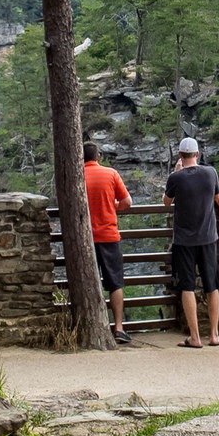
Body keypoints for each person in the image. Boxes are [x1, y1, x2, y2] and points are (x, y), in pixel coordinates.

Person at [162, 136, 219, 348]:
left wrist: (177, 172)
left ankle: (195, 337)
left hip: (184, 240)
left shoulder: (175, 178)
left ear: (180, 155)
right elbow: (218, 198)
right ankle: (214, 334)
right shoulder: (210, 173)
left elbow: (166, 201)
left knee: (187, 287)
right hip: (208, 237)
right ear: (197, 154)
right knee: (212, 285)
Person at [82, 142, 133, 344]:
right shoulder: (111, 174)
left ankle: (91, 325)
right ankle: (119, 327)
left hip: (85, 239)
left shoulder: (78, 175)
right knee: (115, 282)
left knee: (88, 282)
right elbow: (127, 202)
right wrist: (113, 207)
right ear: (98, 157)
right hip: (109, 235)